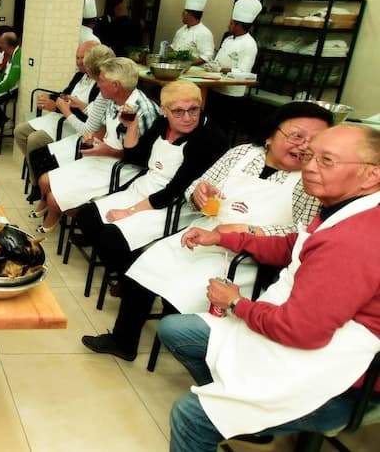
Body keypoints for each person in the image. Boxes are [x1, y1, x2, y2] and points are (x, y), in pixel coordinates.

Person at [159, 123, 380, 452]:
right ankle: (243, 409)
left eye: (327, 161)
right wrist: (221, 237)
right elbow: (295, 246)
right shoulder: (342, 207)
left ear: (371, 175)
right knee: (175, 330)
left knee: (191, 416)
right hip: (300, 327)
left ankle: (237, 409)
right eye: (309, 156)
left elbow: (300, 331)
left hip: (343, 380)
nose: (309, 167)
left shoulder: (354, 240)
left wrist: (236, 304)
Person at [82, 101, 333, 362]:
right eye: (297, 136)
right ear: (270, 135)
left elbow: (303, 233)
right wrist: (198, 194)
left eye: (314, 141)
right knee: (145, 267)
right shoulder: (242, 154)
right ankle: (123, 341)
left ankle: (183, 342)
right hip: (204, 233)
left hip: (247, 257)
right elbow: (196, 186)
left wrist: (250, 229)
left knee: (182, 289)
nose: (305, 147)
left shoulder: (311, 179)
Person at [72, 81, 229, 276]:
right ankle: (118, 261)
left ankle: (129, 277)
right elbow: (135, 157)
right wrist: (132, 126)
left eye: (193, 110)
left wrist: (129, 212)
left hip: (174, 205)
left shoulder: (210, 138)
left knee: (111, 237)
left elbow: (176, 190)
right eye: (178, 111)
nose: (187, 118)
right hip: (144, 189)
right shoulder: (162, 124)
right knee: (87, 216)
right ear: (164, 110)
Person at [33, 57, 160, 232]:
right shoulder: (112, 99)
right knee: (44, 180)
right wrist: (92, 140)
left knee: (55, 199)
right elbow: (105, 129)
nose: (97, 85)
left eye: (101, 80)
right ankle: (55, 211)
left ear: (115, 85)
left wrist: (108, 151)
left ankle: (60, 215)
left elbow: (142, 158)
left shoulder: (143, 111)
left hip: (123, 168)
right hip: (103, 157)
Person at [15, 40, 101, 169]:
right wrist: (49, 97)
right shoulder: (79, 76)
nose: (78, 62)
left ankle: (39, 175)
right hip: (61, 118)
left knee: (34, 140)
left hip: (75, 126)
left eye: (82, 58)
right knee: (19, 132)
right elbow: (65, 94)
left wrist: (56, 107)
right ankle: (38, 169)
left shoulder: (99, 85)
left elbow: (89, 118)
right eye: (77, 58)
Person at [168, 0, 215, 64]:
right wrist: (167, 53)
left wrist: (187, 64)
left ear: (190, 15)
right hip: (176, 66)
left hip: (193, 69)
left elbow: (207, 56)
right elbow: (173, 47)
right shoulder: (181, 30)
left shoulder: (204, 33)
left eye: (184, 13)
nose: (182, 15)